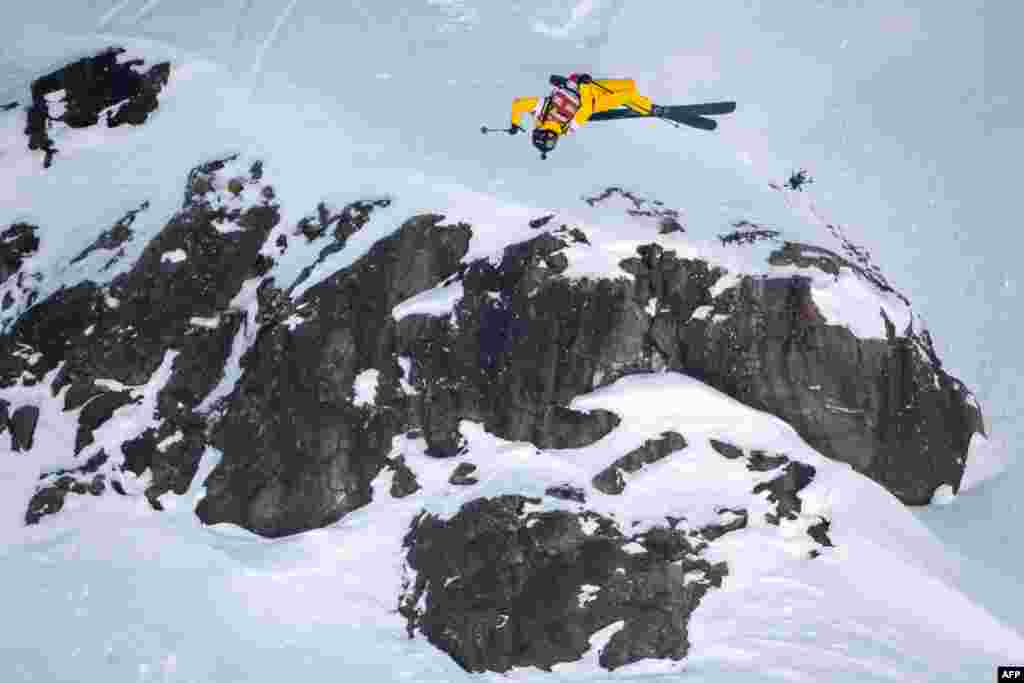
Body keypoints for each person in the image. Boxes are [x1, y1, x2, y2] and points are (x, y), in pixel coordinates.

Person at [509, 74, 654, 159]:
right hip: (592, 99)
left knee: (629, 84)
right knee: (627, 95)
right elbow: (586, 108)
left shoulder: (541, 111)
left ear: (539, 135)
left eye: (548, 140)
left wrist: (515, 123)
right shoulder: (567, 128)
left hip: (579, 85)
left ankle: (642, 102)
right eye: (552, 143)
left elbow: (519, 104)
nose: (552, 139)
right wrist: (584, 87)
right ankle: (649, 107)